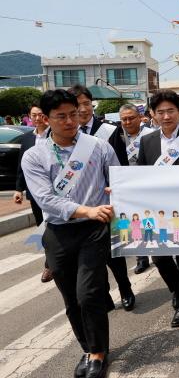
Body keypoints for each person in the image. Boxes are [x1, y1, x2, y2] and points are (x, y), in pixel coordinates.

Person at [21, 89, 116, 378]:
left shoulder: (98, 147)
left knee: (89, 294)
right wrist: (85, 209)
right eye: (60, 116)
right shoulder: (34, 156)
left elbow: (120, 179)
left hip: (94, 230)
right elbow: (45, 199)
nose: (69, 121)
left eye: (73, 114)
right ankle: (87, 348)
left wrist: (116, 193)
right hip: (58, 233)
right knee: (71, 300)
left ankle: (99, 352)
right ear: (45, 119)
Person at [137, 90, 179, 328]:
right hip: (155, 211)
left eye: (171, 111)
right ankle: (178, 289)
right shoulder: (147, 141)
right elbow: (141, 175)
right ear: (153, 115)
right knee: (160, 256)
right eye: (161, 112)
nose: (166, 116)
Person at [68, 85, 135, 313]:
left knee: (112, 253)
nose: (83, 109)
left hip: (106, 203)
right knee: (90, 259)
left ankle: (125, 289)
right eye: (78, 105)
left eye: (87, 103)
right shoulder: (66, 134)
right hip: (79, 207)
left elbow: (121, 167)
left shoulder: (108, 130)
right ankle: (104, 295)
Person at [14, 103, 53, 283]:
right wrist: (18, 189)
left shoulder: (55, 135)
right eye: (33, 115)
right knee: (43, 228)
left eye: (40, 114)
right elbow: (22, 167)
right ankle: (50, 263)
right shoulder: (27, 139)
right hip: (34, 192)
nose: (37, 118)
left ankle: (55, 261)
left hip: (57, 191)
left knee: (56, 226)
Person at [117, 103, 153, 274]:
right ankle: (141, 258)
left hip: (147, 185)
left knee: (151, 219)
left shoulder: (151, 135)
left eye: (131, 118)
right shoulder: (117, 137)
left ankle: (160, 248)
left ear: (140, 118)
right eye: (124, 119)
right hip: (126, 187)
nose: (128, 122)